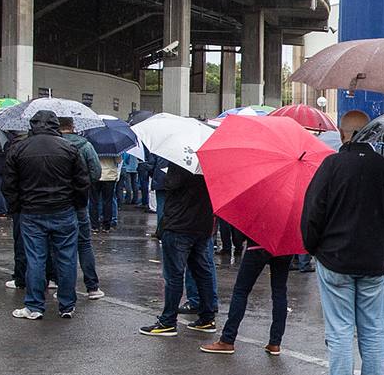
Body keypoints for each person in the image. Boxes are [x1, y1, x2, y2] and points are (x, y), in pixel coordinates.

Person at [302, 113, 384, 375]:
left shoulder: (331, 166)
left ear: (344, 135)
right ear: (369, 135)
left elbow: (312, 211)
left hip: (336, 258)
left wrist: (313, 247)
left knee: (341, 330)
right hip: (373, 259)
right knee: (372, 331)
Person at [5, 111, 92, 320]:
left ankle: (34, 305)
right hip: (63, 210)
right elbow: (82, 181)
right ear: (56, 125)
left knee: (35, 258)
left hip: (31, 211)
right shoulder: (70, 148)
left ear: (32, 125)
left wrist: (17, 207)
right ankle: (67, 304)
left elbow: (9, 185)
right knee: (67, 258)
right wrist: (76, 205)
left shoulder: (18, 148)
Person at [139, 163, 220, 337]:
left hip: (180, 224)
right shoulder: (213, 164)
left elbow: (170, 184)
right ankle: (207, 317)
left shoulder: (181, 162)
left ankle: (168, 321)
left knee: (174, 275)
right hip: (203, 224)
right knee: (202, 272)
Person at [199, 234, 293, 356]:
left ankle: (227, 339)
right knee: (279, 292)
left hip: (258, 244)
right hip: (284, 247)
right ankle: (275, 342)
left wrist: (240, 241)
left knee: (241, 291)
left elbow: (241, 232)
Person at [58, 117, 105, 299]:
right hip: (80, 201)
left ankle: (58, 283)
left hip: (58, 202)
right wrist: (83, 185)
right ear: (72, 126)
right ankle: (92, 286)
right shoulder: (85, 146)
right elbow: (96, 172)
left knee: (59, 245)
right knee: (84, 243)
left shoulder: (54, 145)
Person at [93, 149, 120, 231]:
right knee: (108, 201)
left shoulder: (93, 146)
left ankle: (94, 225)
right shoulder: (113, 147)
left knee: (94, 201)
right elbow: (118, 160)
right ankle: (106, 225)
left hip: (96, 176)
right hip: (109, 176)